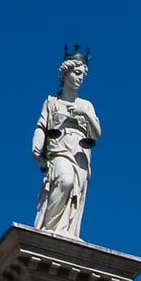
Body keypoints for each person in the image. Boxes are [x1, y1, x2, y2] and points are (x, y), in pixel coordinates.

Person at [33, 51, 101, 238]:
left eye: (83, 75)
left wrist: (85, 115)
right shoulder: (52, 102)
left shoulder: (86, 105)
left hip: (79, 153)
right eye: (77, 73)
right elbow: (42, 126)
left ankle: (66, 232)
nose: (80, 79)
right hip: (59, 149)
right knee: (64, 180)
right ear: (65, 74)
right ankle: (49, 228)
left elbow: (96, 134)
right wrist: (37, 150)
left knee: (74, 192)